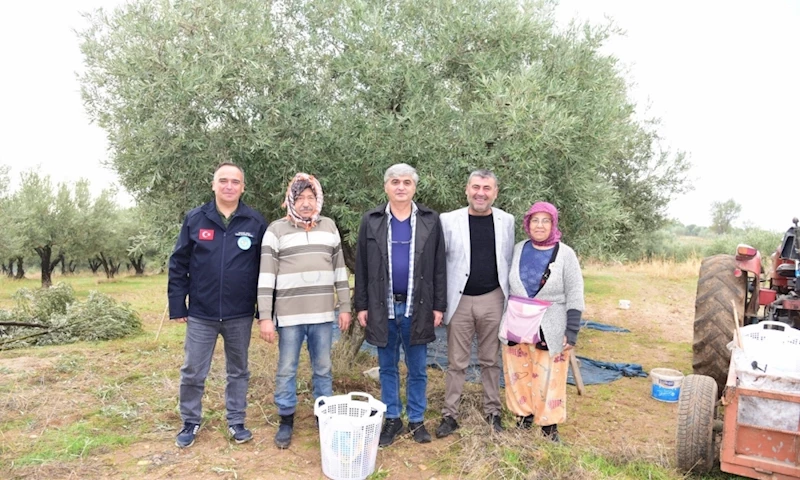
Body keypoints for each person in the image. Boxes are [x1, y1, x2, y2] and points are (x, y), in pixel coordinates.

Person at [168, 163, 268, 448]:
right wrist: (178, 305)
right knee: (192, 371)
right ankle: (190, 421)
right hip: (201, 313)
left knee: (238, 370)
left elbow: (265, 269)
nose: (229, 186)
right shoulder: (196, 219)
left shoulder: (255, 222)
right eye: (223, 181)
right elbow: (178, 263)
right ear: (213, 185)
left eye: (235, 182)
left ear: (242, 187)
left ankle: (236, 421)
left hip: (240, 313)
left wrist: (263, 311)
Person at [256, 173, 352, 449]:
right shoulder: (276, 230)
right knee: (287, 369)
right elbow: (266, 277)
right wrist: (265, 317)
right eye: (300, 198)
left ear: (318, 199)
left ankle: (325, 417)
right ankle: (286, 418)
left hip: (323, 316)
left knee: (323, 369)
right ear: (290, 201)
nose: (307, 203)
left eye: (311, 197)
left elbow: (340, 271)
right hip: (289, 317)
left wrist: (344, 307)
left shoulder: (329, 226)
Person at [354, 163, 447, 447]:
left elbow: (439, 267)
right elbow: (361, 267)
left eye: (407, 182)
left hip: (417, 308)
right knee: (387, 367)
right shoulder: (371, 220)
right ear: (386, 186)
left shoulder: (431, 220)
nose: (401, 187)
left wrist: (439, 305)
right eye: (395, 181)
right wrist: (362, 305)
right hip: (383, 308)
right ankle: (392, 418)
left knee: (417, 368)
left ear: (414, 187)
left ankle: (416, 420)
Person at [435, 170, 515, 438]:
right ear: (467, 189)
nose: (481, 193)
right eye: (476, 187)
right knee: (456, 362)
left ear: (495, 192)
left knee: (490, 360)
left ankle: (493, 411)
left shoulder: (507, 221)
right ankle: (450, 414)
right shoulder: (448, 221)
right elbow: (439, 263)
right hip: (459, 300)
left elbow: (507, 261)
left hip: (493, 298)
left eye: (487, 188)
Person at [499, 201, 584, 443]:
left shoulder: (565, 254)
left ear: (553, 223)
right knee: (518, 372)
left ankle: (549, 427)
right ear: (528, 223)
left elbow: (576, 292)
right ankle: (523, 418)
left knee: (551, 375)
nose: (539, 225)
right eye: (535, 220)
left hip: (551, 324)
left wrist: (572, 330)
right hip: (517, 321)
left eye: (545, 220)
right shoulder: (517, 249)